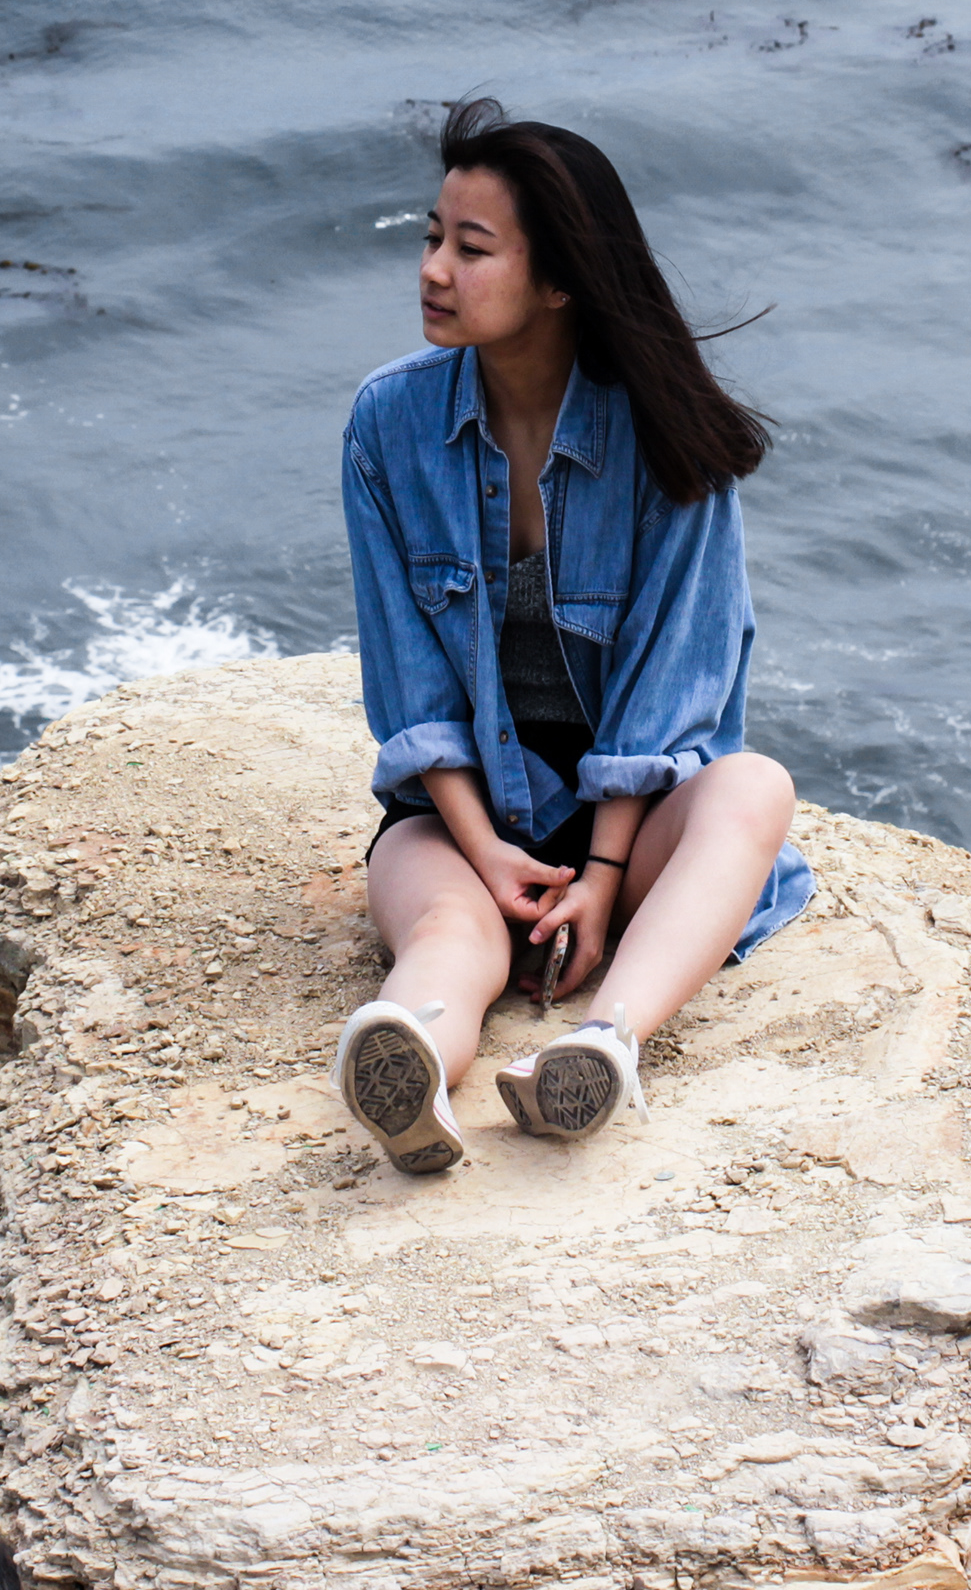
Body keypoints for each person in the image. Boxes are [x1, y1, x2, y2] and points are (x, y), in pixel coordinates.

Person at [329, 99, 811, 1174]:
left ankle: (599, 1047)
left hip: (628, 832)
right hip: (461, 822)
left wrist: (600, 871)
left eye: (471, 248)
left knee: (753, 790)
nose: (434, 270)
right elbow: (410, 685)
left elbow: (671, 694)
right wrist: (488, 850)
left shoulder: (667, 437)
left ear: (559, 280)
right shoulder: (388, 424)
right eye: (433, 238)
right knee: (449, 938)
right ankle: (410, 1065)